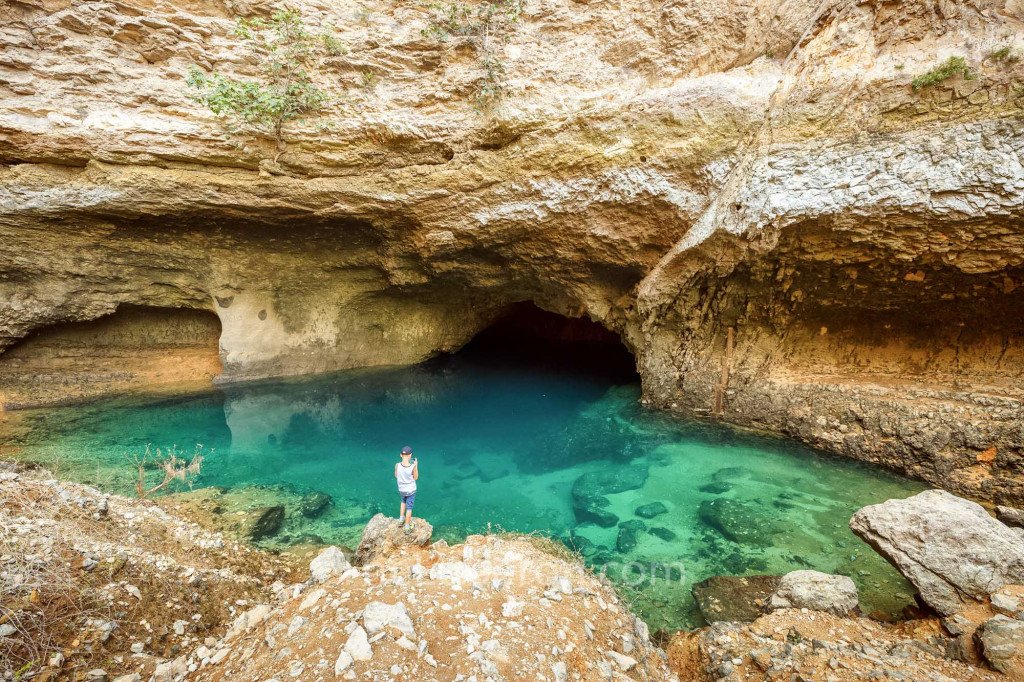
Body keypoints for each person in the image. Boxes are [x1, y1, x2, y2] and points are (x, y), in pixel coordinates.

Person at [395, 445, 419, 532]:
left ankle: (401, 519)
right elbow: (416, 477)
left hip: (402, 489)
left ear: (400, 455)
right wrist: (416, 466)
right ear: (410, 455)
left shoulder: (397, 465)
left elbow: (396, 475)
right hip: (410, 491)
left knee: (403, 501)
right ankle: (407, 527)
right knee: (409, 508)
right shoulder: (412, 467)